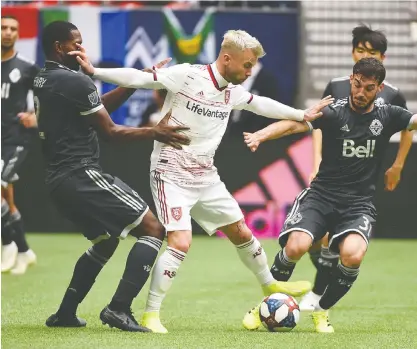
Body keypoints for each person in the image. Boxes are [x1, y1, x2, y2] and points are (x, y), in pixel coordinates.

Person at [72, 29, 332, 333]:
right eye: (247, 65)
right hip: (170, 171)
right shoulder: (186, 75)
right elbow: (139, 78)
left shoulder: (232, 90)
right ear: (227, 58)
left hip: (206, 174)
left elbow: (260, 104)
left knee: (240, 232)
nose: (250, 71)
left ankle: (269, 285)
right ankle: (150, 314)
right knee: (180, 241)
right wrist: (94, 71)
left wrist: (302, 113)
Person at [242, 58, 417, 332]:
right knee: (295, 246)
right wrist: (261, 135)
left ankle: (321, 310)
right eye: (357, 84)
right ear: (352, 79)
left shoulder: (389, 115)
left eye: (369, 88)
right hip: (321, 196)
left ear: (380, 88)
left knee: (353, 255)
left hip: (358, 204)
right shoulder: (333, 113)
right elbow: (295, 124)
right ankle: (263, 308)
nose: (361, 92)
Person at [35, 21, 190, 332]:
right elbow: (110, 131)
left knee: (105, 242)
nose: (81, 49)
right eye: (75, 43)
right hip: (80, 173)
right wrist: (155, 132)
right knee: (152, 228)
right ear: (58, 47)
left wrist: (137, 81)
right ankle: (118, 309)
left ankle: (65, 313)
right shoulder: (76, 83)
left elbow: (98, 109)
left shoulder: (45, 78)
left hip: (58, 181)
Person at [302, 24, 414, 313]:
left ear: (383, 58)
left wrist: (397, 165)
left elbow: (408, 128)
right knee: (317, 239)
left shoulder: (392, 94)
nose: (364, 54)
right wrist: (314, 163)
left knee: (339, 241)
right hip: (328, 176)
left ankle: (318, 293)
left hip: (363, 179)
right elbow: (318, 126)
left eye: (372, 51)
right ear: (353, 52)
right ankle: (325, 282)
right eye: (360, 50)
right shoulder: (337, 85)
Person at [1, 15, 39, 274]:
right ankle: (25, 250)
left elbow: (48, 95)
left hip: (13, 139)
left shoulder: (26, 67)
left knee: (1, 187)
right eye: (3, 27)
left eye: (13, 29)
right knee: (7, 200)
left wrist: (37, 116)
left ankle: (8, 245)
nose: (8, 32)